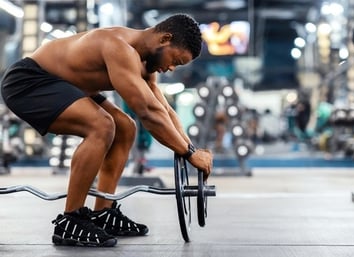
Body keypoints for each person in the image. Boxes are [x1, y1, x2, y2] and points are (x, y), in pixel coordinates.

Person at [1, 14, 213, 247]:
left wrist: (191, 148)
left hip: (68, 86)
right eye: (176, 61)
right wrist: (190, 154)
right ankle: (70, 221)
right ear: (165, 38)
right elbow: (148, 113)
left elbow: (163, 109)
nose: (172, 68)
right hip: (29, 81)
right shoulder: (118, 47)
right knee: (101, 125)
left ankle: (103, 212)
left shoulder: (145, 63)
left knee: (125, 127)